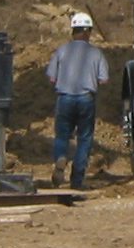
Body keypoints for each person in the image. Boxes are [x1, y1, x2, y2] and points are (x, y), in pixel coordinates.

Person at [44, 11, 109, 190]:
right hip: (86, 99)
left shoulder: (61, 51)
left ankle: (60, 158)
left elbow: (51, 77)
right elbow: (104, 79)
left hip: (64, 98)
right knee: (85, 139)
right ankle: (77, 179)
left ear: (73, 31)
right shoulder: (96, 54)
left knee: (62, 135)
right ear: (88, 32)